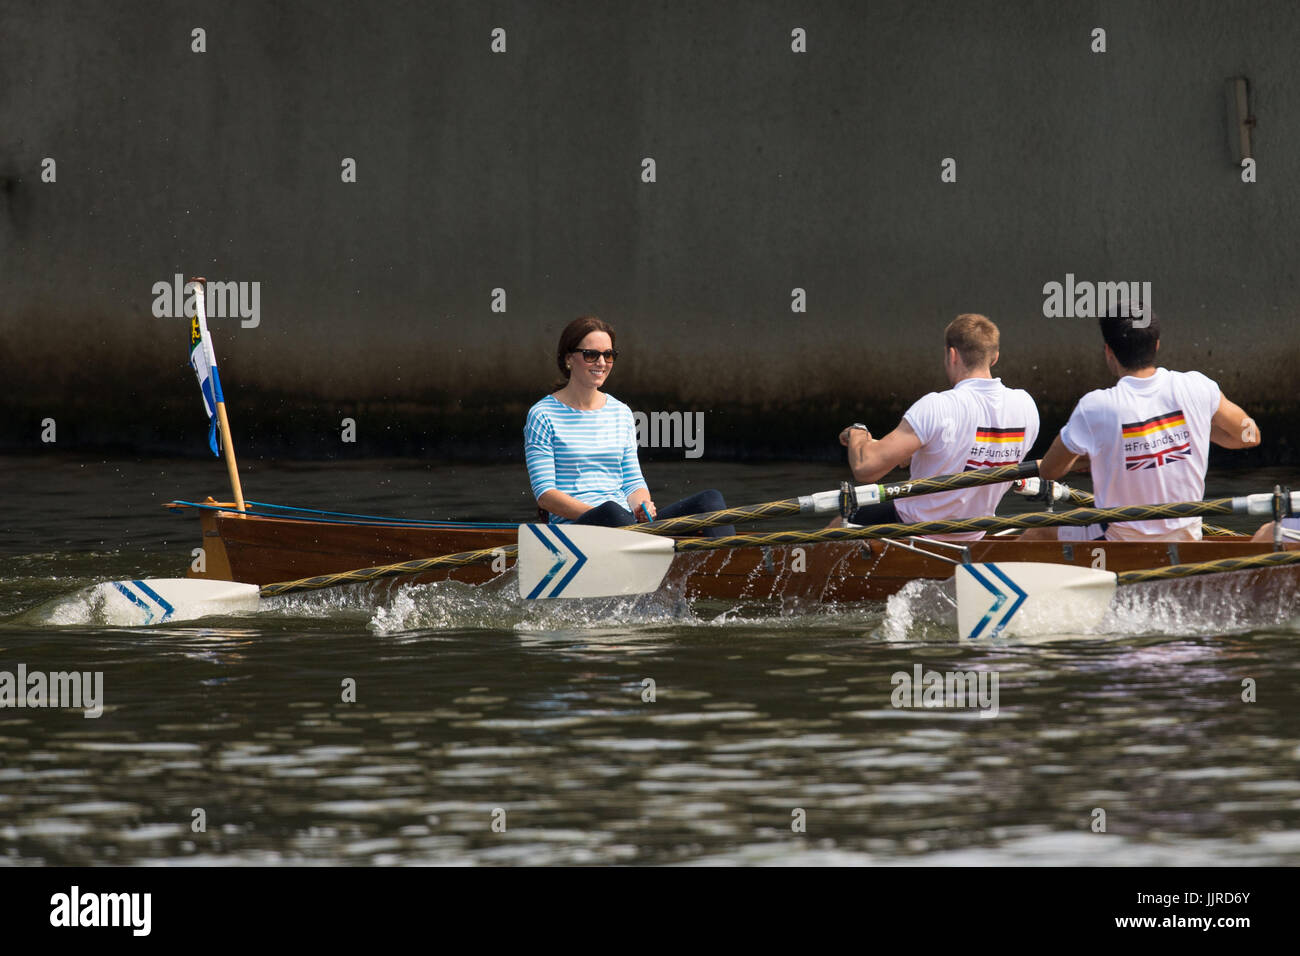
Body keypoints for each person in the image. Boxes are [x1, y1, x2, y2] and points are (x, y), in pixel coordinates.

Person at [1030, 310, 1260, 541]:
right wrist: (1190, 431)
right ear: (1157, 345)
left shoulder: (1094, 407)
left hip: (1116, 541)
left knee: (1040, 530)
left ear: (1108, 351)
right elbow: (1249, 435)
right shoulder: (1197, 386)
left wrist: (1097, 455)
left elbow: (1050, 471)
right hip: (1187, 538)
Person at [524, 316, 735, 537]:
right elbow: (545, 495)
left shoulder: (621, 412)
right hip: (579, 531)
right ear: (568, 359)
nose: (602, 363)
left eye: (608, 355)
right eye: (591, 355)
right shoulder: (542, 415)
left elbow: (633, 482)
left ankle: (734, 567)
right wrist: (606, 516)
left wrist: (642, 506)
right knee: (612, 512)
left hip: (626, 525)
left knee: (710, 501)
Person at [837, 313, 1039, 540]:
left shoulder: (938, 406)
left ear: (951, 355)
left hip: (915, 530)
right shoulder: (1026, 406)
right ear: (994, 358)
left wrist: (857, 433)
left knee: (842, 521)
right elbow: (960, 456)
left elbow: (866, 467)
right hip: (975, 533)